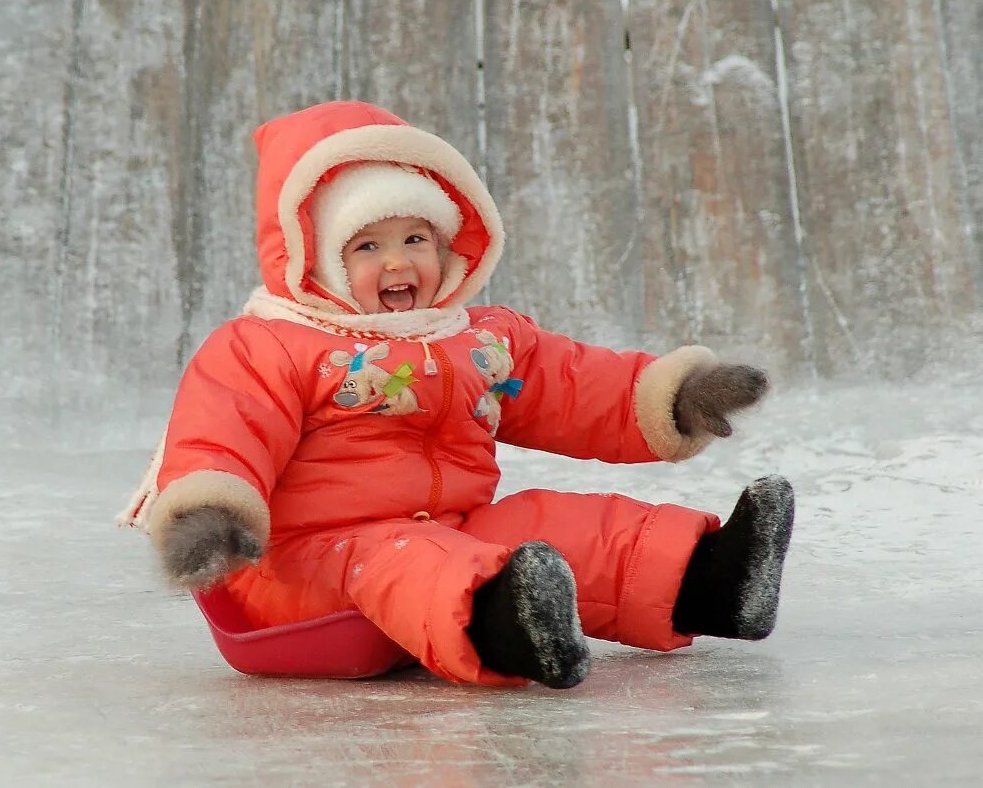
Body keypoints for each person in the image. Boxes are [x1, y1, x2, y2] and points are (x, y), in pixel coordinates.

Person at [119, 100, 794, 689]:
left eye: (415, 238)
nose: (396, 261)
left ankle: (713, 582)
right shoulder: (268, 344)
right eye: (366, 245)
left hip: (444, 536)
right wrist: (209, 515)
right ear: (316, 261)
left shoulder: (475, 338)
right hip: (299, 570)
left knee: (540, 523)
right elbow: (223, 431)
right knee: (402, 556)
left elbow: (573, 384)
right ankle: (507, 622)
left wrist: (676, 396)